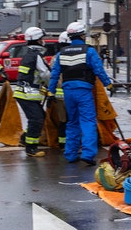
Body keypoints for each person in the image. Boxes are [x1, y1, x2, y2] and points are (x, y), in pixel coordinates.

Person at [47, 21, 112, 165]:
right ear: (82, 35)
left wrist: (50, 91)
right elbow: (99, 70)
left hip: (68, 92)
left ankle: (70, 154)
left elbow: (54, 74)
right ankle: (88, 155)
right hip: (84, 91)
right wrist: (109, 84)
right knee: (88, 121)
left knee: (72, 122)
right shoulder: (89, 51)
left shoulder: (61, 54)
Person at [12, 26, 52, 157]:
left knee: (37, 117)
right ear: (38, 40)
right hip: (28, 93)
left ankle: (24, 139)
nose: (43, 41)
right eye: (41, 39)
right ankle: (31, 148)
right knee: (37, 119)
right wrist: (51, 86)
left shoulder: (28, 55)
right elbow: (45, 74)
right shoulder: (37, 56)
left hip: (24, 92)